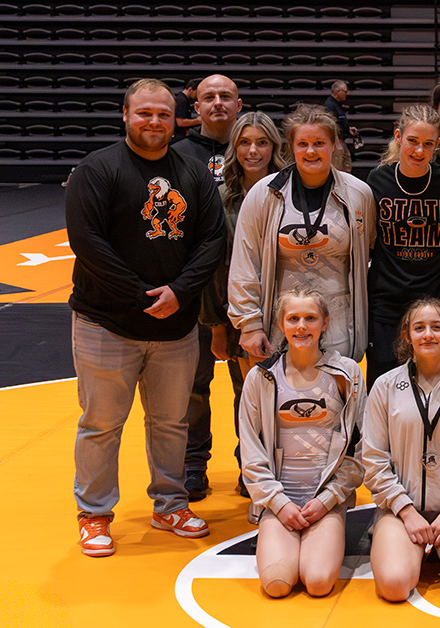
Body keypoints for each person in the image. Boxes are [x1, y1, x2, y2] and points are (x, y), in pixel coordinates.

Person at [67, 78, 225, 557]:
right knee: (101, 423)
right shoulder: (97, 169)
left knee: (171, 422)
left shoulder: (193, 172)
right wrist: (141, 295)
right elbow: (87, 243)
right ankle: (94, 514)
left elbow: (212, 239)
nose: (154, 121)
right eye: (144, 113)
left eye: (163, 114)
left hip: (176, 326)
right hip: (106, 322)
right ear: (125, 115)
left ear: (176, 119)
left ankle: (170, 505)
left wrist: (180, 292)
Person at [362, 298, 440, 602]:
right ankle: (401, 544)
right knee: (394, 586)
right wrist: (406, 511)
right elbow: (374, 460)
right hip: (400, 510)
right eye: (419, 328)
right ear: (407, 336)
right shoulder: (385, 386)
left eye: (436, 327)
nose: (428, 334)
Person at [239, 287, 366, 597]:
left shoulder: (347, 374)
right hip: (279, 502)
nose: (301, 327)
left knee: (319, 582)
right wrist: (278, 504)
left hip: (326, 501)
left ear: (325, 323)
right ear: (281, 324)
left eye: (310, 318)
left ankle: (326, 528)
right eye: (293, 319)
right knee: (277, 584)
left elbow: (361, 448)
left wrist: (329, 499)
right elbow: (251, 452)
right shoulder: (261, 377)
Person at [229, 104, 375, 368]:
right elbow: (245, 263)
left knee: (335, 393)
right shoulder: (263, 193)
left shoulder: (359, 193)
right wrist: (249, 324)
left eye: (319, 143)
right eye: (303, 144)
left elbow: (371, 249)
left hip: (340, 327)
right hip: (280, 327)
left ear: (334, 144)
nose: (311, 151)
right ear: (291, 147)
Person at [201, 112, 286, 495]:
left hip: (289, 314)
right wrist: (219, 326)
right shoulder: (221, 199)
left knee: (291, 395)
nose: (253, 151)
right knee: (248, 397)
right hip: (242, 316)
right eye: (245, 143)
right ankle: (253, 473)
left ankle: (289, 472)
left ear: (274, 147)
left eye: (262, 142)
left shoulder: (292, 191)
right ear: (234, 148)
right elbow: (215, 268)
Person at [172, 73, 243, 500]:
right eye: (208, 97)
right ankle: (194, 463)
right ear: (195, 107)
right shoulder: (177, 154)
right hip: (193, 291)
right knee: (193, 385)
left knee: (248, 385)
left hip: (243, 291)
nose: (217, 103)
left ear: (239, 104)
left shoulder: (253, 148)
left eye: (225, 96)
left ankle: (251, 464)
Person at [365, 104, 440, 386]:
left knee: (434, 384)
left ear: (437, 144)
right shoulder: (378, 179)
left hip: (436, 300)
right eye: (412, 141)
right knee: (383, 386)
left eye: (428, 143)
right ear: (398, 137)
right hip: (386, 302)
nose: (419, 151)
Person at [324, 80, 358, 159]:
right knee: (339, 164)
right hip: (336, 143)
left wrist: (347, 129)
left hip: (341, 141)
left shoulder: (337, 104)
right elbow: (329, 126)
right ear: (338, 91)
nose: (346, 94)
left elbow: (339, 122)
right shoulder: (329, 106)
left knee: (346, 163)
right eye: (345, 91)